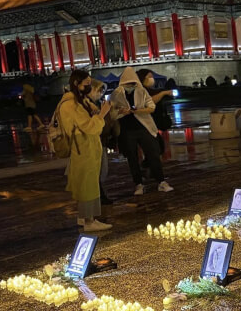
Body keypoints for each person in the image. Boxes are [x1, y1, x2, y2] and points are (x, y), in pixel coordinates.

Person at [59, 70, 112, 231]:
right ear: (76, 84)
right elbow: (89, 127)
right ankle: (89, 221)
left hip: (87, 147)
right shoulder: (70, 104)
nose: (89, 87)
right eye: (86, 84)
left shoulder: (79, 100)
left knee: (87, 183)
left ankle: (84, 217)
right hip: (83, 147)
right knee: (87, 185)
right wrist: (101, 114)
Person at [110, 67, 173, 195]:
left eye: (132, 83)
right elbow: (112, 112)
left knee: (153, 154)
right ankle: (138, 184)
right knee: (132, 158)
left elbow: (151, 107)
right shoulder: (117, 93)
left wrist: (135, 111)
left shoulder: (141, 90)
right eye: (128, 83)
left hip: (144, 127)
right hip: (127, 130)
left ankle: (161, 181)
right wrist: (122, 113)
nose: (131, 85)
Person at [88, 79, 116, 205]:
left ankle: (99, 194)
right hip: (93, 141)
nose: (99, 93)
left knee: (103, 170)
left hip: (102, 140)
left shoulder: (99, 103)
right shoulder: (87, 105)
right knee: (98, 170)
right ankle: (98, 196)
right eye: (97, 90)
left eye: (101, 91)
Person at [136, 69, 173, 158]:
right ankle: (150, 164)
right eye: (149, 77)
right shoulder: (140, 91)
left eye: (152, 76)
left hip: (154, 123)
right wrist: (163, 93)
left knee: (158, 147)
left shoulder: (152, 90)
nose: (152, 79)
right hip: (146, 124)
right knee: (156, 147)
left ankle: (150, 163)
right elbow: (151, 101)